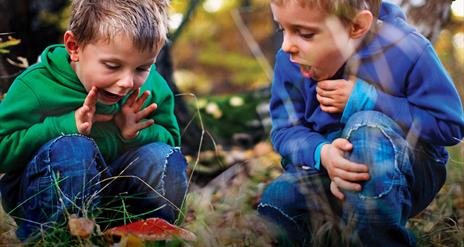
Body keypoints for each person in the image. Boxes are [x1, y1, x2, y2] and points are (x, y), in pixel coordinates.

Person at [258, 0, 464, 246]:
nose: (287, 46)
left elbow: (450, 126)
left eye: (305, 34)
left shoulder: (407, 49)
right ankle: (342, 235)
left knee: (367, 128)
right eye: (282, 29)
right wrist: (323, 154)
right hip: (328, 172)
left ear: (356, 26)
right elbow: (285, 130)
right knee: (277, 200)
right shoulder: (288, 61)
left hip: (407, 171)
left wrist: (370, 100)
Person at [0, 0, 188, 241]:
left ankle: (147, 237)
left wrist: (134, 133)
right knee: (72, 148)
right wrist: (64, 126)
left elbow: (172, 143)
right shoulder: (38, 86)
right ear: (74, 46)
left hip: (117, 198)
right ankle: (61, 238)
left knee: (161, 156)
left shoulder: (152, 90)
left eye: (142, 68)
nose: (127, 82)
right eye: (112, 66)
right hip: (48, 198)